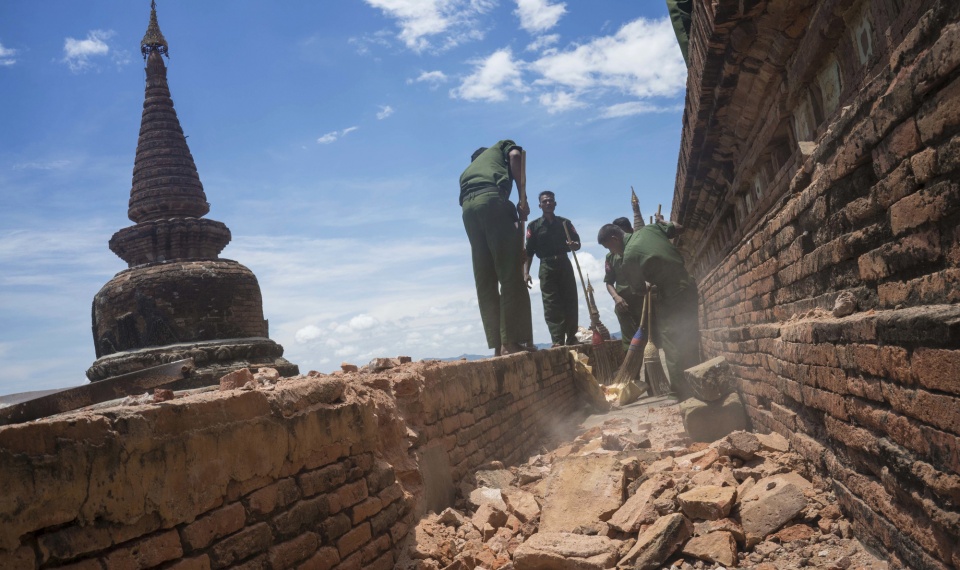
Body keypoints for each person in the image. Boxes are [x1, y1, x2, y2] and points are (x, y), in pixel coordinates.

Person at [597, 212, 700, 398]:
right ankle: (700, 381)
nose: (612, 252)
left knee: (671, 339)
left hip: (671, 294)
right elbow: (678, 227)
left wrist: (647, 284)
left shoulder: (627, 257)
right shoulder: (651, 229)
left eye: (609, 247)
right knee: (690, 333)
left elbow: (638, 290)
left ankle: (680, 391)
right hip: (689, 284)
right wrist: (663, 221)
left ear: (615, 238)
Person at [460, 141, 535, 356]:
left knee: (485, 277)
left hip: (468, 210)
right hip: (492, 200)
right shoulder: (501, 146)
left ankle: (497, 345)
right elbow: (515, 156)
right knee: (510, 273)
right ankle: (509, 342)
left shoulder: (469, 170)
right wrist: (523, 197)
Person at [523, 191, 581, 346]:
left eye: (550, 201)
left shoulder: (565, 223)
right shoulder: (533, 226)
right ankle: (557, 340)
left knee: (570, 300)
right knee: (551, 304)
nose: (548, 203)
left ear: (555, 204)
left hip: (564, 263)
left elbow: (577, 243)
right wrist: (526, 272)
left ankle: (571, 337)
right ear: (540, 205)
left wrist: (573, 245)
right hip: (546, 266)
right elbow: (528, 253)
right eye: (544, 201)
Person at [604, 217, 646, 350]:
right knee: (630, 345)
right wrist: (616, 297)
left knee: (651, 339)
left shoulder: (639, 248)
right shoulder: (610, 257)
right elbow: (609, 282)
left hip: (645, 300)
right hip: (624, 304)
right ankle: (633, 369)